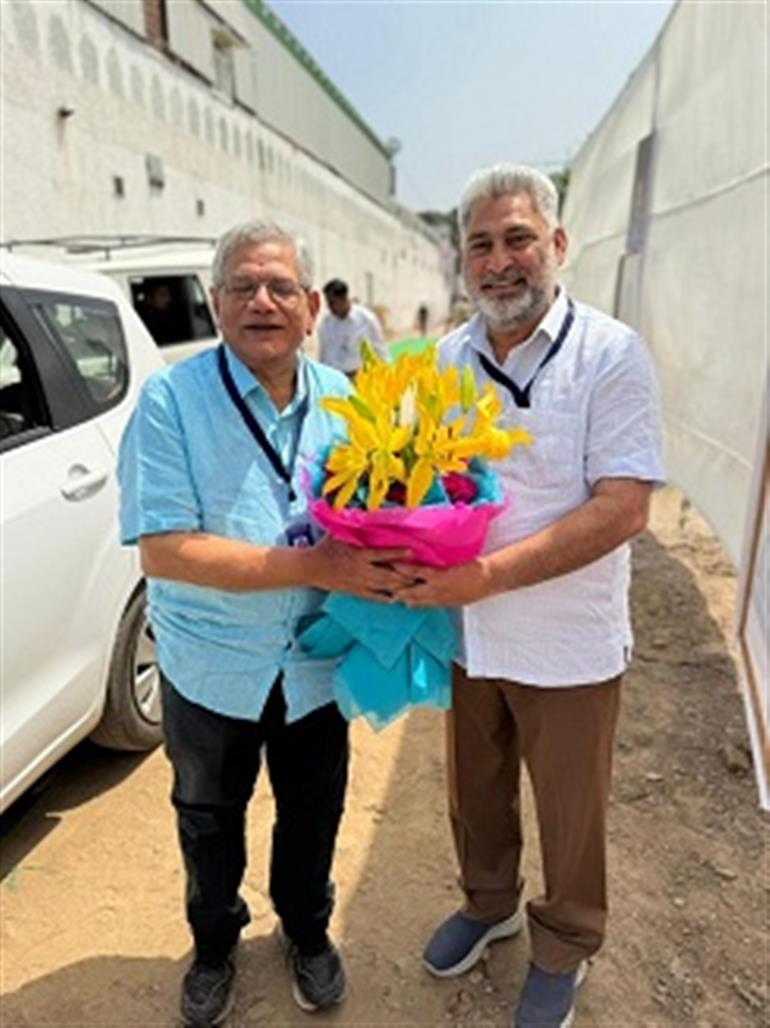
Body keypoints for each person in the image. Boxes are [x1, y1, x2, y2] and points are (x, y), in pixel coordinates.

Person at [117, 221, 408, 1027]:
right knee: (208, 819)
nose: (262, 302)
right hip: (212, 666)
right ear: (216, 304)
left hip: (314, 664)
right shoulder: (172, 402)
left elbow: (381, 519)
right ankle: (214, 946)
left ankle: (307, 932)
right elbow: (166, 549)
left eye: (281, 287)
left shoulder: (349, 406)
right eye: (242, 287)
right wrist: (320, 567)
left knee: (314, 812)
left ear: (312, 307)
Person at [394, 164, 664, 1028]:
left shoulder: (610, 354)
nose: (501, 261)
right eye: (481, 244)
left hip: (568, 639)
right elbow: (424, 481)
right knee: (474, 790)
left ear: (556, 244)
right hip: (469, 633)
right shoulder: (444, 360)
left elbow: (623, 506)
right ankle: (488, 903)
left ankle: (566, 940)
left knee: (570, 805)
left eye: (518, 239)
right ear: (462, 262)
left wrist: (489, 575)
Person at [317, 278, 387, 375]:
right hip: (335, 376)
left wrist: (385, 371)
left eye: (332, 303)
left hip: (359, 376)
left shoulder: (366, 319)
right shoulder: (326, 323)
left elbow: (379, 348)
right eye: (328, 303)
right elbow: (324, 353)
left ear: (344, 299)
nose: (329, 307)